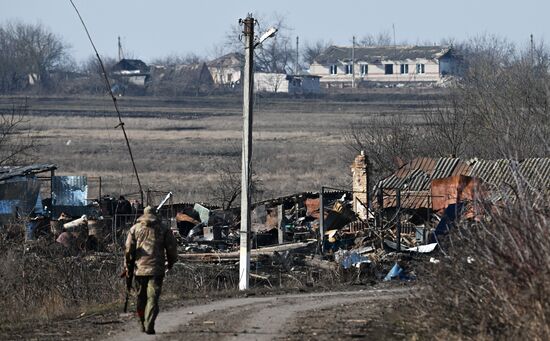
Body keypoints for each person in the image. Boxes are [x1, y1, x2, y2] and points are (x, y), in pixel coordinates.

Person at [124, 206, 178, 335]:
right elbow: (171, 249)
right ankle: (149, 324)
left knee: (140, 299)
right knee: (152, 299)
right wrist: (170, 263)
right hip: (156, 270)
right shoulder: (164, 229)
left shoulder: (134, 229)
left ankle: (143, 323)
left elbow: (128, 251)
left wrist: (128, 267)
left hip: (139, 270)